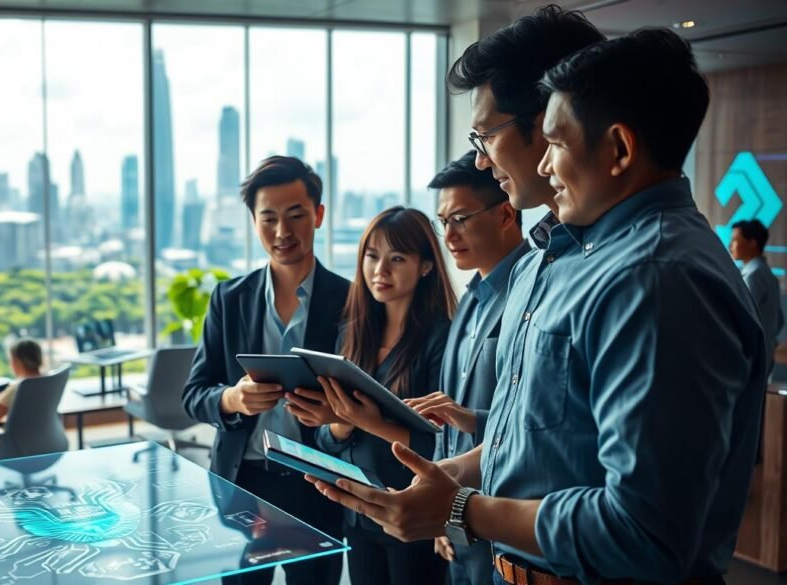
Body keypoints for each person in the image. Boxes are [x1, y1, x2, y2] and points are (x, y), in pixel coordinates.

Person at [309, 27, 767, 585]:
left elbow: (645, 532)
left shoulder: (656, 278)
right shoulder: (550, 257)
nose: (546, 167)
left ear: (619, 149)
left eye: (555, 142)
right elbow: (541, 438)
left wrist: (459, 510)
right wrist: (444, 479)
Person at [182, 155, 349, 585]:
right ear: (253, 221)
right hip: (243, 484)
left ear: (319, 214)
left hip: (317, 486)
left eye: (295, 215)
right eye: (268, 218)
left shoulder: (351, 302)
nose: (282, 232)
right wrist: (232, 399)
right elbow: (194, 393)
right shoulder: (228, 299)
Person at [283, 206, 453, 585]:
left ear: (425, 266)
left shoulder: (441, 339)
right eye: (372, 257)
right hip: (359, 513)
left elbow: (444, 445)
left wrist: (369, 422)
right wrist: (341, 426)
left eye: (397, 258)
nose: (381, 271)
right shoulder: (352, 332)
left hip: (411, 514)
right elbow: (330, 439)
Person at [405, 151, 528, 585]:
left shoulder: (532, 294)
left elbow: (530, 422)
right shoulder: (470, 299)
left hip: (505, 519)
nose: (449, 235)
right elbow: (446, 416)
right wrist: (441, 504)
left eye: (460, 218)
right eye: (444, 222)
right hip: (456, 513)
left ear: (505, 215)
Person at [730, 219, 784, 374]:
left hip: (749, 356)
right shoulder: (768, 275)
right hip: (764, 355)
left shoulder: (753, 276)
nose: (731, 245)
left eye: (735, 240)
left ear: (752, 243)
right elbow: (779, 320)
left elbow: (744, 318)